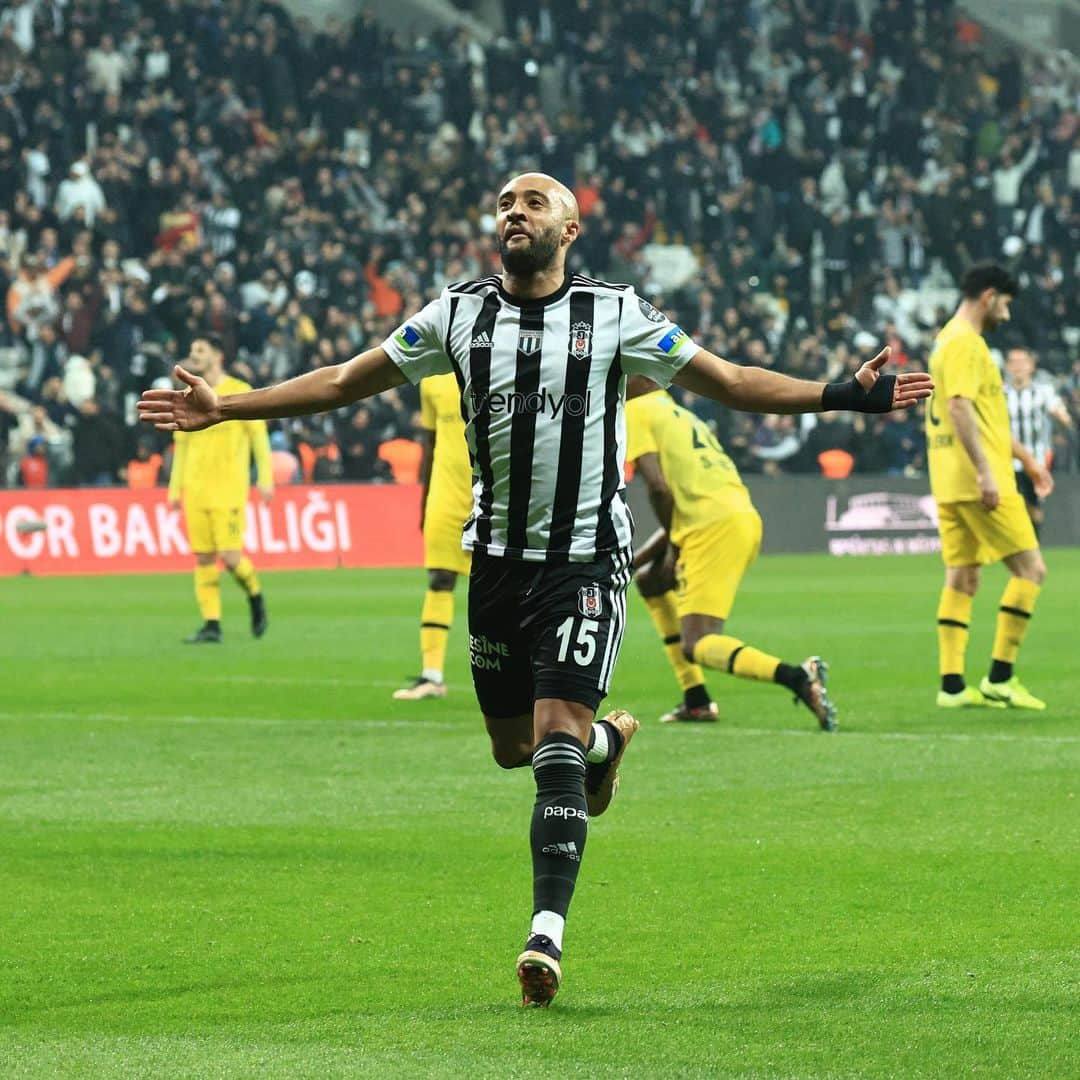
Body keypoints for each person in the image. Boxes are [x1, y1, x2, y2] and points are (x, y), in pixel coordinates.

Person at [140, 172, 931, 1007]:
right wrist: (228, 406)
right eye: (505, 204)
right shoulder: (456, 313)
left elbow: (730, 380)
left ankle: (544, 938)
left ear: (571, 228)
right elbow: (343, 380)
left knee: (552, 743)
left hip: (585, 564)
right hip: (498, 569)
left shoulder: (619, 314)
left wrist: (845, 394)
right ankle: (607, 747)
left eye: (534, 203)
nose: (514, 212)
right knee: (516, 749)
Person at [626, 376, 836, 730]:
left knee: (699, 642)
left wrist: (674, 549)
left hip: (711, 529)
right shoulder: (679, 413)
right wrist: (637, 562)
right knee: (651, 583)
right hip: (736, 516)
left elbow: (660, 490)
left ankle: (797, 676)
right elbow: (687, 501)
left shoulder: (635, 411)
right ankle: (696, 700)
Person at [925, 265, 1052, 711]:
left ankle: (953, 686)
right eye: (1006, 304)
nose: (1008, 314)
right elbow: (959, 406)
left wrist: (1028, 459)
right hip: (979, 480)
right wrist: (986, 471)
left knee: (963, 574)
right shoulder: (965, 342)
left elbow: (983, 418)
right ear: (989, 296)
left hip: (947, 478)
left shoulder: (945, 339)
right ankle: (1001, 676)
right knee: (1031, 570)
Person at [166, 334, 273, 644]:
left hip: (229, 491)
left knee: (229, 557)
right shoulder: (188, 397)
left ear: (217, 356)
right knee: (202, 558)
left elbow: (259, 439)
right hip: (195, 491)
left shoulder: (239, 392)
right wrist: (175, 490)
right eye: (192, 350)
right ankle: (211, 624)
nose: (194, 355)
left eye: (200, 350)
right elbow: (181, 448)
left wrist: (265, 477)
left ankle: (254, 594)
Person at [393, 373, 474, 700]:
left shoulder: (493, 364)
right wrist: (425, 499)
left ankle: (524, 676)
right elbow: (430, 442)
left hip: (493, 494)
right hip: (446, 493)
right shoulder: (432, 380)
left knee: (505, 585)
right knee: (440, 578)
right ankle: (431, 676)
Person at [1003, 346, 1072, 537]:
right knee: (1015, 505)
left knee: (1033, 506)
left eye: (1022, 362)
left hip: (1037, 461)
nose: (1018, 367)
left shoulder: (1044, 392)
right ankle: (1026, 545)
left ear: (1031, 366)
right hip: (1007, 461)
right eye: (1014, 362)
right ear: (1007, 367)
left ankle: (1033, 543)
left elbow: (1059, 412)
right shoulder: (1000, 393)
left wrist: (1063, 418)